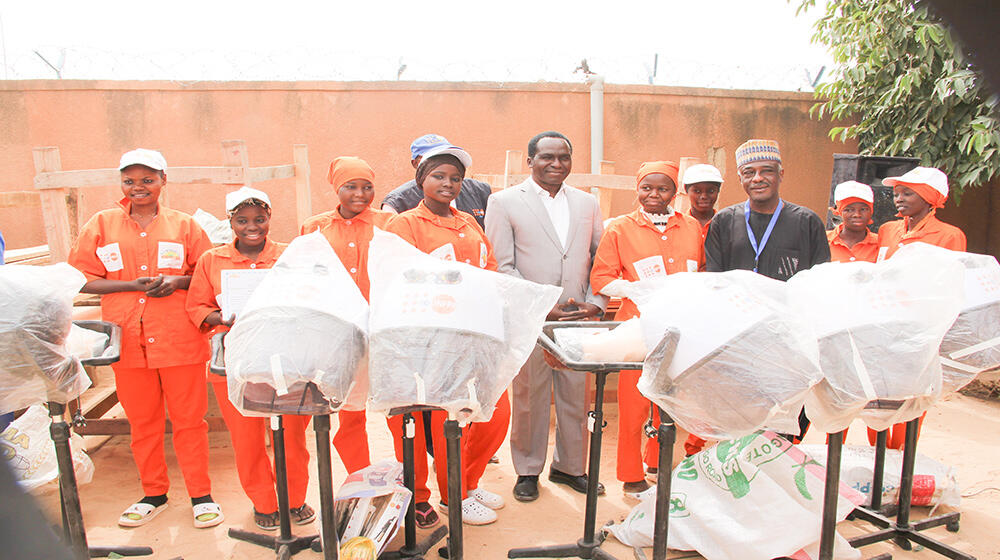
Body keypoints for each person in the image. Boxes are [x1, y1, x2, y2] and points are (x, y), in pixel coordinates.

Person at [67, 149, 223, 529]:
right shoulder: (101, 225)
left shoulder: (184, 226)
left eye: (148, 179)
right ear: (121, 183)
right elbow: (80, 277)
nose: (139, 187)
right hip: (127, 342)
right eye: (130, 181)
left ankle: (201, 496)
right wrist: (127, 285)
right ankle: (154, 494)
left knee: (189, 421)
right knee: (143, 422)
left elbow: (209, 273)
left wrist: (176, 283)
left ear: (163, 181)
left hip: (179, 340)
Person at [385, 144, 509, 526]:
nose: (448, 184)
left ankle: (466, 485)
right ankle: (439, 496)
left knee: (491, 413)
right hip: (428, 341)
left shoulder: (469, 223)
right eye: (439, 176)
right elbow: (395, 279)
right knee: (441, 422)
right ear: (421, 180)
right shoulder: (404, 224)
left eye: (456, 178)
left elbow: (489, 268)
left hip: (474, 334)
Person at [485, 131, 607, 502]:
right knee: (529, 395)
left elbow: (600, 259)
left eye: (564, 157)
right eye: (547, 157)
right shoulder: (504, 202)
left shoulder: (587, 203)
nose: (557, 164)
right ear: (530, 161)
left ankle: (570, 468)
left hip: (577, 318)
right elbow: (501, 266)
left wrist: (595, 303)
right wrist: (539, 304)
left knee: (576, 394)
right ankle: (527, 470)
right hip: (531, 317)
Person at [186, 187, 314, 531]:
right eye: (242, 220)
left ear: (270, 217)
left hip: (284, 359)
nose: (251, 226)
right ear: (231, 222)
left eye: (259, 219)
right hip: (234, 360)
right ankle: (264, 502)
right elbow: (196, 306)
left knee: (291, 435)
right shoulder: (212, 261)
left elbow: (309, 298)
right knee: (247, 437)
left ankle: (295, 499)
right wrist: (222, 317)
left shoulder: (291, 256)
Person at [704, 139, 830, 443]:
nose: (757, 178)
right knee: (739, 417)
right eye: (749, 172)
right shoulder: (724, 221)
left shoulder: (806, 222)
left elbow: (821, 283)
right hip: (741, 337)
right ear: (740, 178)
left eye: (766, 171)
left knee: (786, 419)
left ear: (780, 174)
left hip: (789, 339)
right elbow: (715, 280)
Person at [590, 161, 704, 495]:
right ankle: (630, 474)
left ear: (674, 192)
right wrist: (634, 289)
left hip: (679, 325)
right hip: (636, 325)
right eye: (646, 188)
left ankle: (657, 461)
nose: (654, 195)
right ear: (637, 189)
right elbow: (601, 278)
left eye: (663, 188)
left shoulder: (692, 226)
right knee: (634, 401)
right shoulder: (620, 229)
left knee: (668, 396)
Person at [301, 157, 391, 477]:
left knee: (396, 408)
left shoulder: (387, 223)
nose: (360, 194)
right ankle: (360, 475)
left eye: (367, 187)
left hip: (382, 330)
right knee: (351, 409)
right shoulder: (314, 227)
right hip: (338, 333)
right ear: (336, 187)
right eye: (350, 186)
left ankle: (411, 481)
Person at [873, 166, 966, 450]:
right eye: (897, 193)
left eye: (907, 193)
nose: (898, 199)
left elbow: (950, 286)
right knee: (877, 397)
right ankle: (877, 452)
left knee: (912, 395)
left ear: (929, 197)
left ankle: (901, 455)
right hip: (882, 324)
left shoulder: (949, 236)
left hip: (920, 329)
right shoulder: (888, 230)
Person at [380, 134, 493, 228]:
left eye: (446, 156)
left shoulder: (479, 192)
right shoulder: (398, 202)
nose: (447, 183)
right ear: (416, 164)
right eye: (432, 159)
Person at [827, 180, 879, 264]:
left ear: (871, 211)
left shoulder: (881, 244)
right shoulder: (824, 241)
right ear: (839, 212)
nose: (857, 215)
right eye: (849, 210)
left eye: (863, 209)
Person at [681, 163, 723, 238]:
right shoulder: (679, 225)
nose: (704, 196)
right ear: (686, 190)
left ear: (718, 191)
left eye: (711, 191)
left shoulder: (726, 224)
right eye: (697, 191)